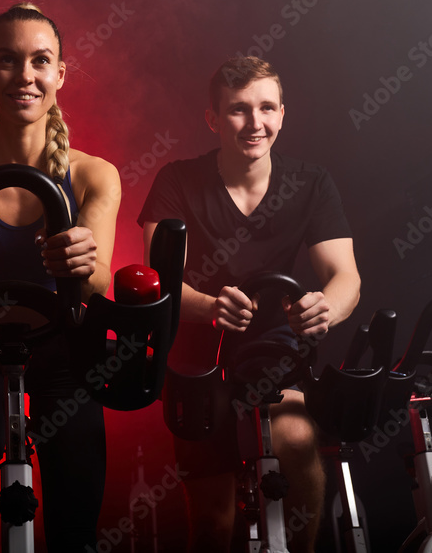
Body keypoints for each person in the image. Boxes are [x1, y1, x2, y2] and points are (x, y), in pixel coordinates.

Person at [138, 56, 361, 553]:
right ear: (213, 119)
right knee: (214, 521)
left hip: (275, 344)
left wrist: (327, 306)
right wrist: (208, 306)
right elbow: (157, 278)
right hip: (196, 351)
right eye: (239, 110)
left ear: (282, 114)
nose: (255, 123)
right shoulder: (177, 180)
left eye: (266, 108)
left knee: (299, 444)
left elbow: (345, 276)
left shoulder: (312, 182)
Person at [0, 3, 121, 551]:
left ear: (60, 73)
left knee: (76, 479)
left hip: (66, 347)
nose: (25, 76)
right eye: (8, 61)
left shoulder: (93, 173)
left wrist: (83, 265)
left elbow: (100, 282)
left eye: (40, 61)